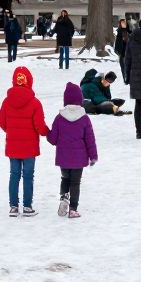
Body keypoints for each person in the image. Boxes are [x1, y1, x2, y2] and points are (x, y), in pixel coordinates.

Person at [0, 66, 48, 217]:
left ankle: (13, 207)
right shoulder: (35, 103)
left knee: (14, 174)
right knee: (28, 175)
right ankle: (27, 206)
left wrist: (11, 131)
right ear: (30, 81)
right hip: (29, 147)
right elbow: (40, 126)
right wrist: (48, 133)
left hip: (13, 145)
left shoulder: (6, 102)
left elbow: (1, 121)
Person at [47, 82, 98, 218]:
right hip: (79, 158)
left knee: (65, 179)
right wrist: (93, 156)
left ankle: (64, 198)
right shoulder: (85, 118)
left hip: (63, 157)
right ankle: (73, 209)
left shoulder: (59, 118)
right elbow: (90, 139)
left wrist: (47, 132)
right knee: (75, 183)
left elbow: (52, 139)